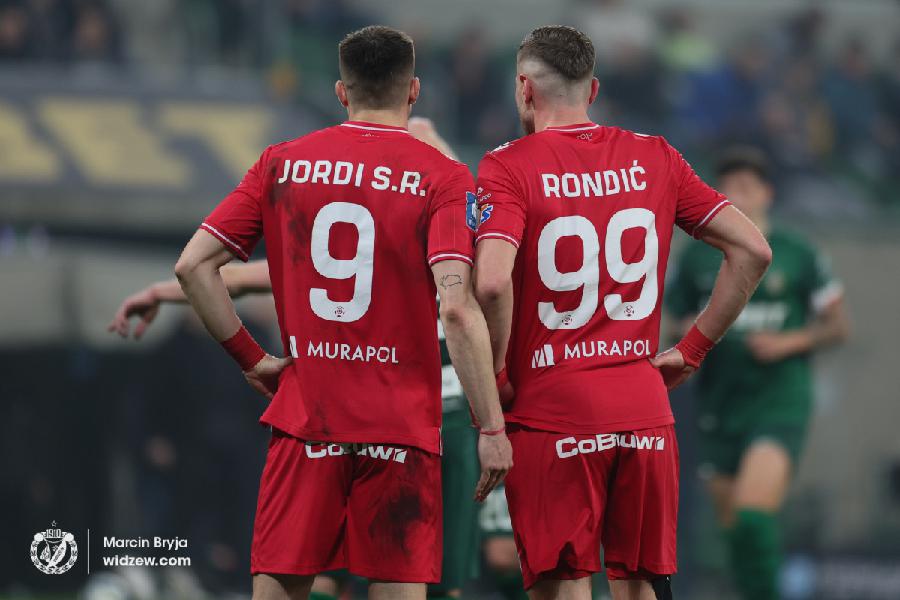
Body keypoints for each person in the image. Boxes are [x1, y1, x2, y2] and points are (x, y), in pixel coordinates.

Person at [171, 26, 512, 600]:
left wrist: (252, 359)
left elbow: (193, 267)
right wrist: (492, 427)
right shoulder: (443, 176)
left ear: (340, 91)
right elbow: (456, 309)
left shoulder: (282, 163)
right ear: (413, 91)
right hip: (401, 428)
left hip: (309, 420)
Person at [109, 120, 488, 600]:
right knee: (420, 579)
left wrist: (162, 292)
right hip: (419, 421)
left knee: (323, 568)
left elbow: (230, 274)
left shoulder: (353, 228)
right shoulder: (452, 235)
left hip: (344, 414)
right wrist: (495, 419)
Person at [472, 26, 772, 600]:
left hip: (552, 411)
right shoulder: (656, 155)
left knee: (563, 585)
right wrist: (692, 350)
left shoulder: (507, 166)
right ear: (594, 89)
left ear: (525, 89)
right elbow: (753, 250)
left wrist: (500, 376)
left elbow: (490, 283)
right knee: (639, 585)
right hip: (643, 409)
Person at [665, 147, 849, 600]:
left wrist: (789, 342)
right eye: (729, 187)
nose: (738, 195)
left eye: (748, 186)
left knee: (752, 517)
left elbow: (837, 326)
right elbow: (672, 321)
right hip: (720, 404)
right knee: (735, 534)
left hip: (778, 400)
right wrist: (688, 330)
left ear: (767, 193)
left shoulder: (797, 252)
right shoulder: (698, 257)